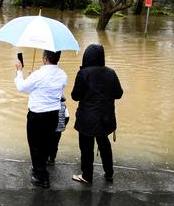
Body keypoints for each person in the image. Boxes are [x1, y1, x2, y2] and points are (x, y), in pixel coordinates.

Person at [71, 43, 123, 184]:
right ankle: (109, 173)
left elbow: (75, 96)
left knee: (86, 147)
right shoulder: (111, 73)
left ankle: (87, 176)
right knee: (104, 143)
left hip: (86, 118)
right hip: (105, 118)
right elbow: (119, 94)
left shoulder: (83, 73)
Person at [15, 50, 67, 188]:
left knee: (35, 144)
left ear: (44, 58)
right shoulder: (63, 75)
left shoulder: (38, 75)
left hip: (37, 115)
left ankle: (41, 177)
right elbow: (55, 90)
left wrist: (19, 71)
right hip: (54, 114)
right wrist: (33, 80)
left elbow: (21, 87)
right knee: (46, 143)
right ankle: (40, 168)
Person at [48, 96, 70, 165]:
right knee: (55, 144)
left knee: (46, 143)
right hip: (58, 130)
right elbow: (67, 117)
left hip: (49, 129)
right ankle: (52, 160)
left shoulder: (49, 105)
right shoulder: (64, 106)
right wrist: (63, 125)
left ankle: (45, 159)